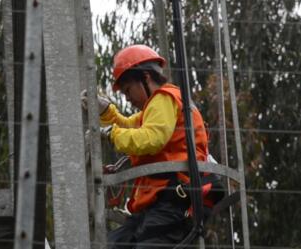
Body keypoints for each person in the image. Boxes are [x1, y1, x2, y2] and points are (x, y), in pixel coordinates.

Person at [87, 45, 210, 249]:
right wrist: (107, 113)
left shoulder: (164, 98)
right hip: (156, 204)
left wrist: (112, 134)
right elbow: (129, 125)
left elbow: (151, 138)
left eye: (128, 90)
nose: (127, 98)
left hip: (172, 201)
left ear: (145, 77)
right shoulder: (156, 106)